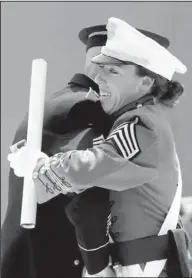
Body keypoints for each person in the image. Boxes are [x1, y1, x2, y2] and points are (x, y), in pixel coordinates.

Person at [4, 23, 172, 278]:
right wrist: (98, 267)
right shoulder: (89, 108)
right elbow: (89, 194)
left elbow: (95, 174)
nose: (102, 77)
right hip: (56, 260)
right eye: (104, 68)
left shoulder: (64, 101)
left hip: (37, 257)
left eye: (113, 70)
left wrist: (39, 166)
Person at [1, 25, 109, 278]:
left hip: (28, 252)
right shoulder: (87, 107)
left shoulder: (60, 100)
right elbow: (83, 185)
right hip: (55, 254)